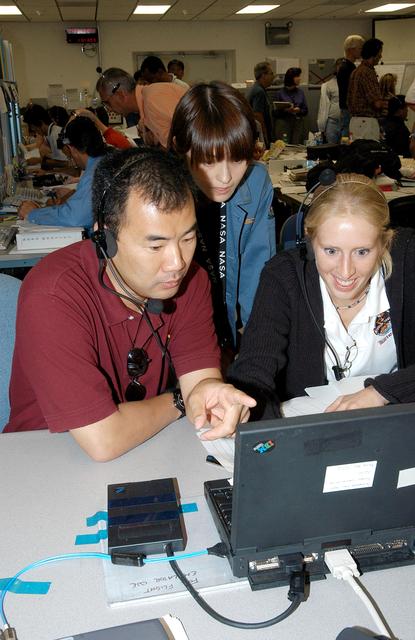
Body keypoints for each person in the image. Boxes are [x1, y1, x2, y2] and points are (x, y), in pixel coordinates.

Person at [5, 147, 256, 460]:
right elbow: (104, 440)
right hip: (43, 458)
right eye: (156, 245)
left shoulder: (191, 282)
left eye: (187, 239)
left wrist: (210, 395)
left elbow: (201, 381)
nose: (177, 262)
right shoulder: (53, 293)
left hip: (143, 446)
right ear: (105, 239)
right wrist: (180, 400)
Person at [228, 173, 415, 420]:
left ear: (384, 243)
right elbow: (254, 370)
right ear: (310, 242)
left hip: (395, 419)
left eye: (362, 252)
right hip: (310, 425)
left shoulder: (408, 259)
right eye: (331, 250)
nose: (346, 271)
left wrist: (380, 393)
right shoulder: (283, 276)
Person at [169, 81, 276, 353]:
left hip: (225, 327)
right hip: (169, 326)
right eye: (209, 161)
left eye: (238, 159)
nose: (226, 177)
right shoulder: (157, 192)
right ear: (180, 148)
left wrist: (259, 350)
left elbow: (259, 276)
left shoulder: (256, 181)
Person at [17, 115, 106, 229]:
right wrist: (73, 194)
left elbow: (75, 217)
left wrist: (34, 213)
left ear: (72, 149)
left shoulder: (95, 173)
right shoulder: (102, 162)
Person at [96, 67, 186, 148]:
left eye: (107, 103)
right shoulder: (145, 110)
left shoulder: (153, 99)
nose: (108, 109)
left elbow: (188, 137)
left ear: (121, 95)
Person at [347, 38, 387, 141]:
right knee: (370, 153)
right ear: (374, 53)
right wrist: (387, 103)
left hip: (354, 122)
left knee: (358, 153)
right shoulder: (368, 72)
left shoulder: (356, 71)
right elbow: (376, 103)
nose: (381, 56)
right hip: (367, 123)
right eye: (380, 53)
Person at [23, 103, 69, 168]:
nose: (33, 130)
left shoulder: (55, 134)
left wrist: (42, 161)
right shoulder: (50, 133)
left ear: (40, 122)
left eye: (33, 126)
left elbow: (66, 163)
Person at [337, 35, 365, 138]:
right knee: (348, 137)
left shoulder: (350, 66)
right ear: (352, 50)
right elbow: (350, 91)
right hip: (348, 109)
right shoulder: (346, 68)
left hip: (348, 109)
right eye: (360, 48)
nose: (362, 51)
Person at [274, 67, 308, 144]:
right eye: (297, 76)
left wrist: (298, 110)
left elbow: (305, 110)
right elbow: (275, 113)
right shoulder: (280, 93)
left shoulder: (300, 92)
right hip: (284, 124)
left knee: (296, 147)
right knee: (284, 146)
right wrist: (285, 110)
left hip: (297, 123)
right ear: (291, 78)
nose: (299, 78)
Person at [247, 61, 275, 148]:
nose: (273, 76)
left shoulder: (258, 89)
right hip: (259, 134)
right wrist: (265, 136)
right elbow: (258, 115)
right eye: (271, 73)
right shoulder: (259, 91)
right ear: (263, 75)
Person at [317, 59, 343, 144]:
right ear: (335, 68)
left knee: (346, 150)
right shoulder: (328, 85)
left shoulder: (351, 82)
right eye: (339, 66)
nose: (341, 68)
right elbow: (323, 107)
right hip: (332, 122)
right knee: (331, 149)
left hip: (347, 122)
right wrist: (322, 127)